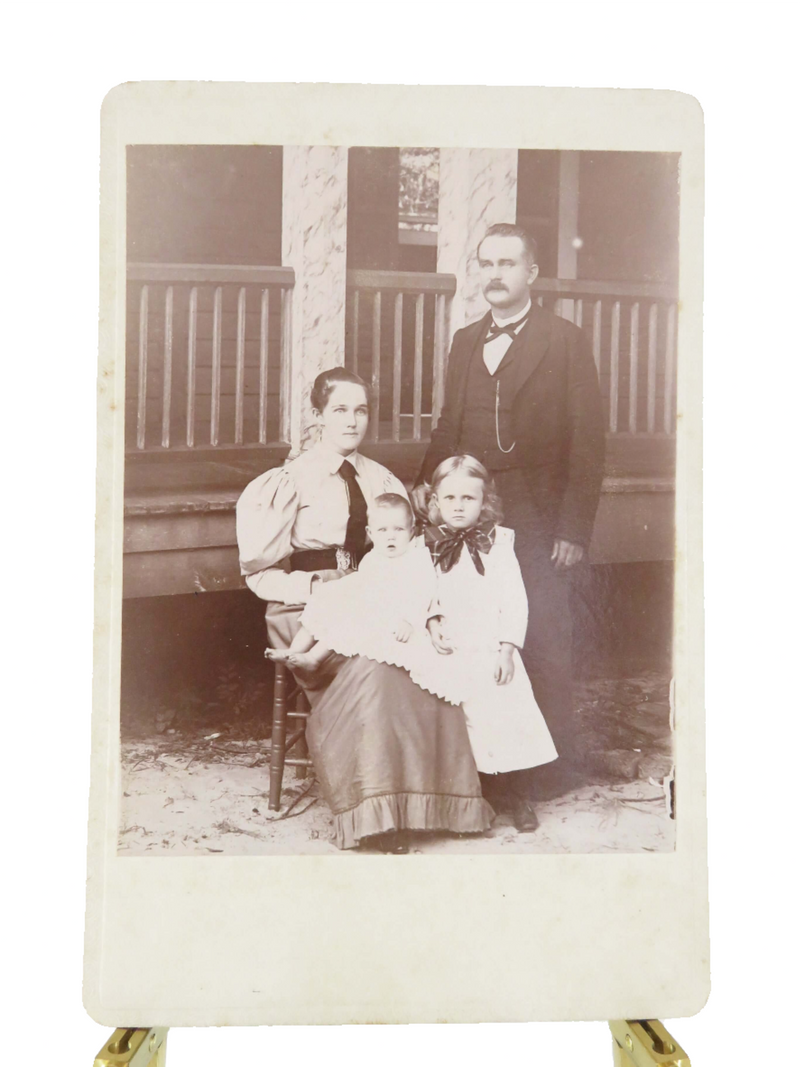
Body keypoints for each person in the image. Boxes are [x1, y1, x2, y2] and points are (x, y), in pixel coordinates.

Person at [236, 367, 494, 851]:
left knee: (426, 660)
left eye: (361, 411)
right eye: (339, 410)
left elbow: (412, 552)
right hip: (310, 606)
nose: (352, 422)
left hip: (382, 598)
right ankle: (379, 812)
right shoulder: (288, 481)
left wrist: (424, 610)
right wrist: (315, 582)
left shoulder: (381, 479)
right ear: (316, 417)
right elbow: (258, 573)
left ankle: (427, 803)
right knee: (378, 670)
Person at [418, 223, 606, 825]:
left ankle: (546, 770)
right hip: (472, 506)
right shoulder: (466, 340)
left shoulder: (565, 340)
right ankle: (473, 767)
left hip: (540, 509)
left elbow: (588, 442)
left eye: (508, 263)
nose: (495, 274)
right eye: (486, 264)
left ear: (532, 273)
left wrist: (573, 528)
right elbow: (449, 423)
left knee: (542, 634)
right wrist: (427, 488)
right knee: (469, 630)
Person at [415, 455, 558, 832]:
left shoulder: (499, 542)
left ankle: (520, 796)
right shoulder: (426, 545)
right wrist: (430, 622)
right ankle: (477, 797)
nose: (459, 506)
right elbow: (421, 591)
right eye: (450, 499)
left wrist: (508, 648)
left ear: (485, 502)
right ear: (435, 502)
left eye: (469, 498)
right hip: (453, 650)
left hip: (492, 649)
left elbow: (514, 597)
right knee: (466, 724)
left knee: (509, 719)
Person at [266, 493, 465, 705]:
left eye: (399, 529)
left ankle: (314, 657)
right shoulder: (372, 558)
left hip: (394, 614)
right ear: (370, 533)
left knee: (352, 621)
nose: (391, 537)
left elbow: (424, 592)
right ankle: (294, 651)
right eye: (383, 530)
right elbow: (365, 587)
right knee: (324, 600)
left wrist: (409, 619)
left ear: (411, 531)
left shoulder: (417, 559)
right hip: (372, 604)